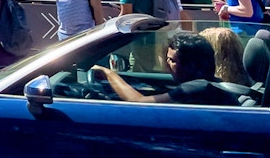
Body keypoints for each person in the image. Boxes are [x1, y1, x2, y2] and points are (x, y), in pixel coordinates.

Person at [91, 33, 240, 106]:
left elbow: (139, 102)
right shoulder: (207, 83)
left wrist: (108, 73)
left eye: (173, 60)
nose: (167, 64)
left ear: (191, 64)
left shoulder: (196, 87)